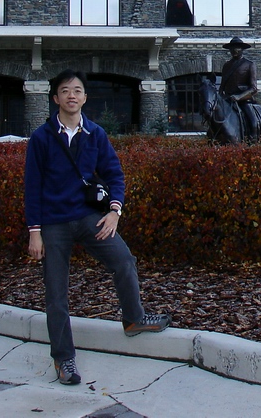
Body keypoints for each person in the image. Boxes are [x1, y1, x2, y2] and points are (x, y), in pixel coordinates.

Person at [24, 69, 169, 386]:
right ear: (56, 98)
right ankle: (64, 359)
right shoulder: (41, 138)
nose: (71, 95)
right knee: (56, 293)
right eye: (65, 91)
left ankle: (134, 319)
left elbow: (115, 175)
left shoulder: (96, 135)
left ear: (84, 98)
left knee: (124, 260)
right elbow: (32, 187)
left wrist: (115, 212)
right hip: (54, 222)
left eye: (77, 90)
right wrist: (34, 231)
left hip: (89, 216)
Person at [218, 36, 259, 141]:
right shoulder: (226, 66)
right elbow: (222, 86)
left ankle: (253, 137)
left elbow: (253, 88)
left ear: (242, 49)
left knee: (253, 120)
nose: (234, 50)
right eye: (232, 48)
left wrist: (239, 97)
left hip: (243, 100)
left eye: (237, 48)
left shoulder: (249, 64)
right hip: (228, 100)